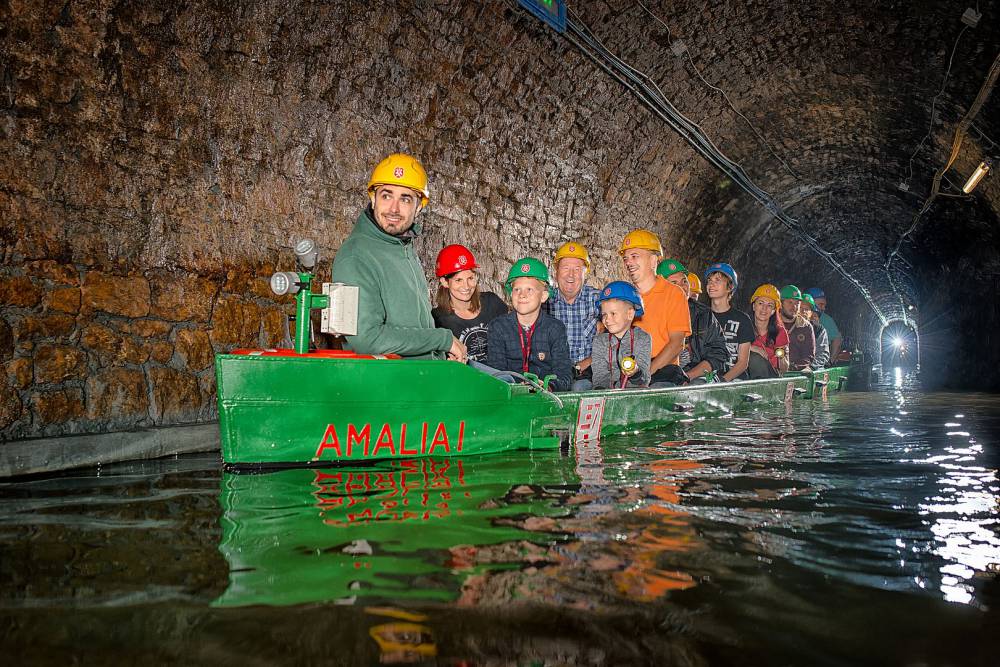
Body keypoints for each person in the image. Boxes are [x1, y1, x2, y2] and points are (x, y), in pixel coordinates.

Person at [331, 153, 467, 361]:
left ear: (419, 206)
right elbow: (367, 339)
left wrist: (439, 353)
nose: (394, 209)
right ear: (373, 199)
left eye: (405, 199)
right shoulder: (356, 255)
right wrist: (441, 340)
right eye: (386, 195)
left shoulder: (402, 246)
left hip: (419, 380)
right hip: (390, 387)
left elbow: (415, 324)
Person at [487, 258, 573, 391]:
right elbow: (496, 372)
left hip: (546, 397)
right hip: (510, 396)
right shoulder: (498, 327)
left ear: (544, 296)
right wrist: (515, 388)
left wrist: (548, 387)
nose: (522, 295)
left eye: (530, 290)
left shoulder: (555, 329)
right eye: (517, 290)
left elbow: (564, 374)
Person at [619, 230, 692, 385]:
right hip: (631, 370)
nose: (628, 262)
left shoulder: (673, 293)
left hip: (662, 370)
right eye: (626, 258)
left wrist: (647, 372)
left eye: (635, 256)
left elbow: (677, 343)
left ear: (653, 261)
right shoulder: (624, 297)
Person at [431, 244, 507, 364]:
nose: (466, 286)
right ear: (445, 282)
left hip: (503, 378)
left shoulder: (493, 303)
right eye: (458, 280)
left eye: (470, 278)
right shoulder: (437, 319)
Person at [657, 259, 727, 384]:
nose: (682, 287)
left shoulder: (703, 314)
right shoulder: (652, 315)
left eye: (684, 281)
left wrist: (688, 376)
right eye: (674, 283)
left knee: (699, 388)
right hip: (664, 374)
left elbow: (718, 353)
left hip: (699, 374)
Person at [546, 241, 601, 391]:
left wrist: (586, 363)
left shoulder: (598, 299)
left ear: (585, 273)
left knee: (579, 389)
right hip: (552, 373)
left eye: (577, 269)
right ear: (556, 271)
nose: (571, 275)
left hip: (587, 373)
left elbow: (616, 339)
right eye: (565, 268)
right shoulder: (544, 301)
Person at [591, 281, 652, 390]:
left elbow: (644, 380)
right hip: (608, 397)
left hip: (634, 397)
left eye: (613, 313)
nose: (607, 319)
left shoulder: (642, 338)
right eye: (604, 314)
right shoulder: (599, 342)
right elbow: (599, 378)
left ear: (630, 314)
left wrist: (635, 372)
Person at [704, 262, 754, 382]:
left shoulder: (742, 319)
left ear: (730, 287)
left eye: (718, 280)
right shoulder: (702, 318)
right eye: (709, 280)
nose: (711, 284)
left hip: (734, 379)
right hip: (706, 377)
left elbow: (742, 363)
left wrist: (722, 380)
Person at [748, 284, 789, 378]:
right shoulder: (743, 326)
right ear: (754, 306)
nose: (764, 309)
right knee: (752, 356)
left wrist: (781, 355)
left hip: (770, 377)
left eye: (769, 305)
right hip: (745, 374)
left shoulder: (780, 332)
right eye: (760, 303)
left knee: (755, 359)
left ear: (774, 310)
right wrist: (751, 348)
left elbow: (785, 368)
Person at [778, 285, 816, 371]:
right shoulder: (772, 323)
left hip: (796, 372)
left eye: (797, 303)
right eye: (790, 302)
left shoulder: (806, 327)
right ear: (781, 304)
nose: (794, 307)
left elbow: (808, 355)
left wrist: (795, 367)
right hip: (773, 370)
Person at [805, 287, 842, 361]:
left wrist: (831, 360)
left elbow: (837, 340)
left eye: (824, 305)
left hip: (818, 361)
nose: (823, 308)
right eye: (821, 304)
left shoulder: (826, 319)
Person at [800, 293, 830, 369]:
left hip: (813, 371)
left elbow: (822, 354)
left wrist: (810, 367)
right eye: (801, 308)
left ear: (811, 313)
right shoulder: (787, 326)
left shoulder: (819, 329)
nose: (803, 311)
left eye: (807, 309)